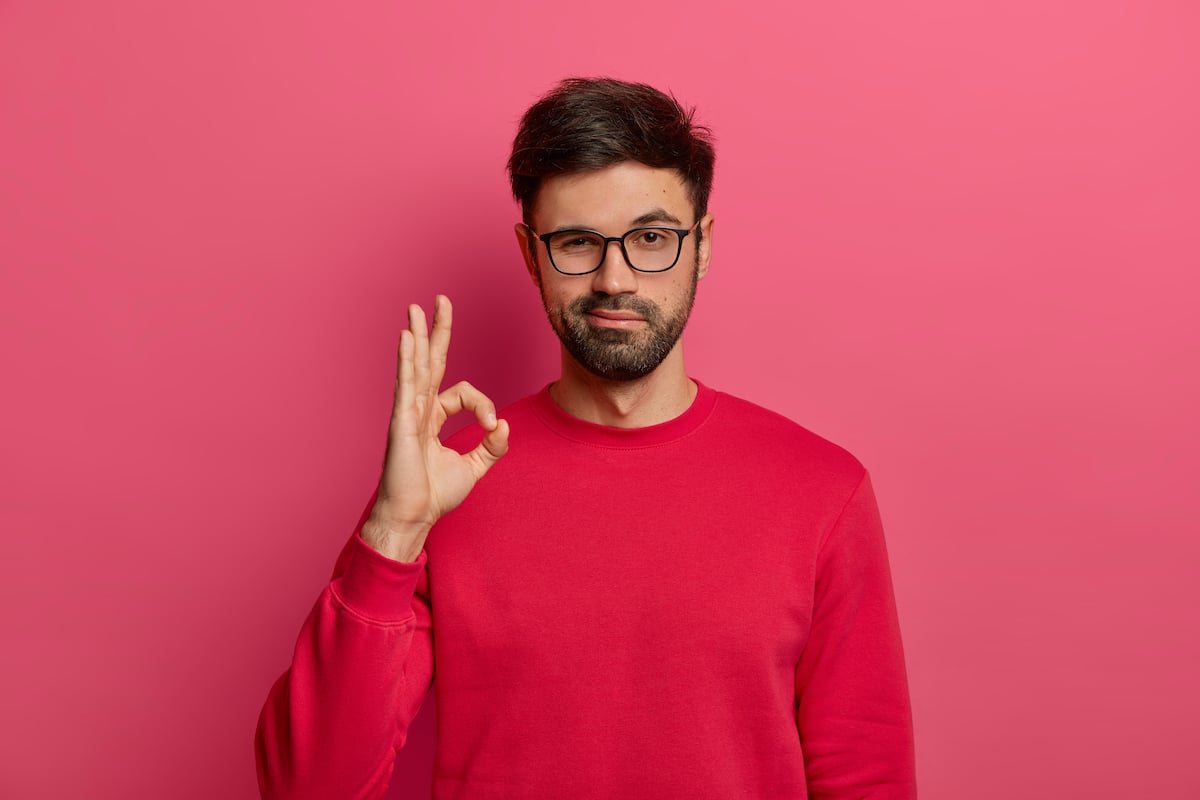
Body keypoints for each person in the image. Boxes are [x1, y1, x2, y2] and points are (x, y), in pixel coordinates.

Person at [256, 78, 916, 799]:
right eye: (577, 242)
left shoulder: (823, 491)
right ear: (531, 255)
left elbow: (866, 780)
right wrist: (393, 531)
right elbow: (309, 786)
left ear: (702, 247)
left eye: (652, 239)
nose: (614, 278)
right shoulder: (443, 489)